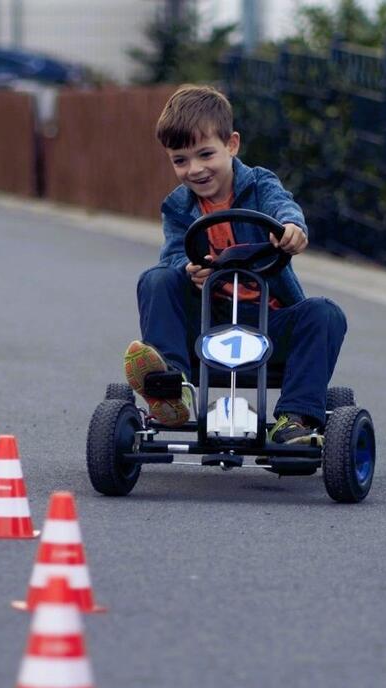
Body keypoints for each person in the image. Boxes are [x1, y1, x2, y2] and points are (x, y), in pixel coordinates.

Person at [123, 84, 347, 445]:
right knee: (157, 278)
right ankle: (171, 389)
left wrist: (292, 229)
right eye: (180, 160)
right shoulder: (177, 207)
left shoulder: (259, 184)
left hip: (266, 323)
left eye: (205, 154)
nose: (194, 170)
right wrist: (189, 269)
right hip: (208, 324)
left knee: (325, 313)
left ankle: (297, 418)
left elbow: (283, 207)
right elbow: (174, 255)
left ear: (232, 145)